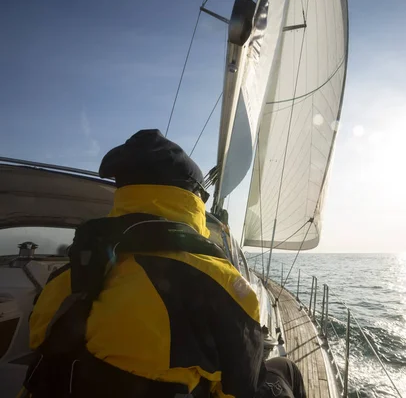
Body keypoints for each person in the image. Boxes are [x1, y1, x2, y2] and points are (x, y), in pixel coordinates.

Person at [22, 129, 306, 398]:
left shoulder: (66, 277)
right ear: (193, 199)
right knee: (287, 370)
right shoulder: (224, 287)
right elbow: (241, 388)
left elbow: (39, 341)